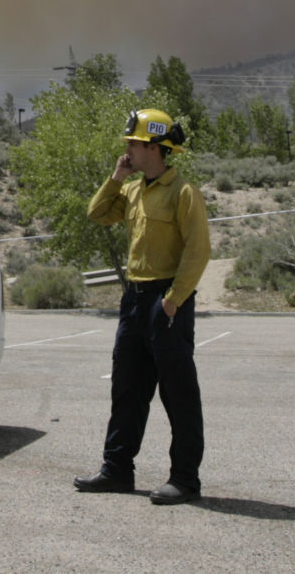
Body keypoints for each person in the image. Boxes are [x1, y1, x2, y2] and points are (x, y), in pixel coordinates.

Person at [73, 108, 212, 504]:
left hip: (166, 300)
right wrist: (117, 177)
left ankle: (185, 479)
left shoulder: (183, 192)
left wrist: (172, 302)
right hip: (134, 299)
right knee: (127, 391)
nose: (128, 149)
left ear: (154, 146)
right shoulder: (133, 190)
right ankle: (117, 471)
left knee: (178, 394)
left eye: (132, 143)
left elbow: (198, 251)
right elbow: (97, 213)